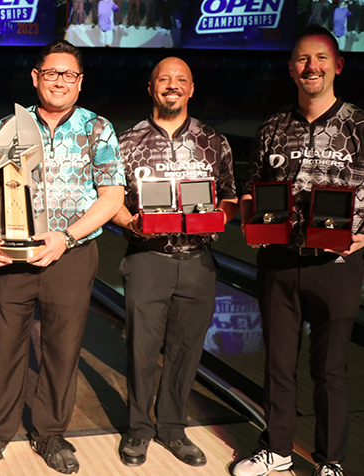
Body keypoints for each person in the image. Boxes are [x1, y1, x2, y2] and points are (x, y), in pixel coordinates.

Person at [0, 40, 125, 475]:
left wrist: (66, 237)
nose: (60, 81)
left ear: (79, 82)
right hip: (14, 252)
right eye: (51, 73)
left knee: (62, 349)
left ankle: (50, 433)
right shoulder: (11, 127)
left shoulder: (98, 130)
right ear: (36, 78)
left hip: (72, 255)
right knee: (4, 347)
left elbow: (112, 196)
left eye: (68, 74)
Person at [233, 26, 363, 476]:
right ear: (291, 69)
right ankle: (278, 448)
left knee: (330, 369)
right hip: (279, 261)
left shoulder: (360, 125)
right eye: (303, 60)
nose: (312, 67)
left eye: (321, 58)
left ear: (337, 65)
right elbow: (252, 193)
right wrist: (250, 220)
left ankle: (331, 461)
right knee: (278, 363)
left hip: (338, 264)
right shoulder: (273, 127)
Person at [111, 57, 238, 468]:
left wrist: (218, 217)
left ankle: (171, 427)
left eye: (180, 80)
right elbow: (110, 200)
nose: (172, 85)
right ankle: (138, 429)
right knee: (142, 351)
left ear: (191, 88)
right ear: (151, 88)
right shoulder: (125, 141)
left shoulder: (213, 140)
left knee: (186, 350)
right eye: (164, 79)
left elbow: (230, 197)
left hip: (198, 260)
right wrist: (131, 221)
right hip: (148, 259)